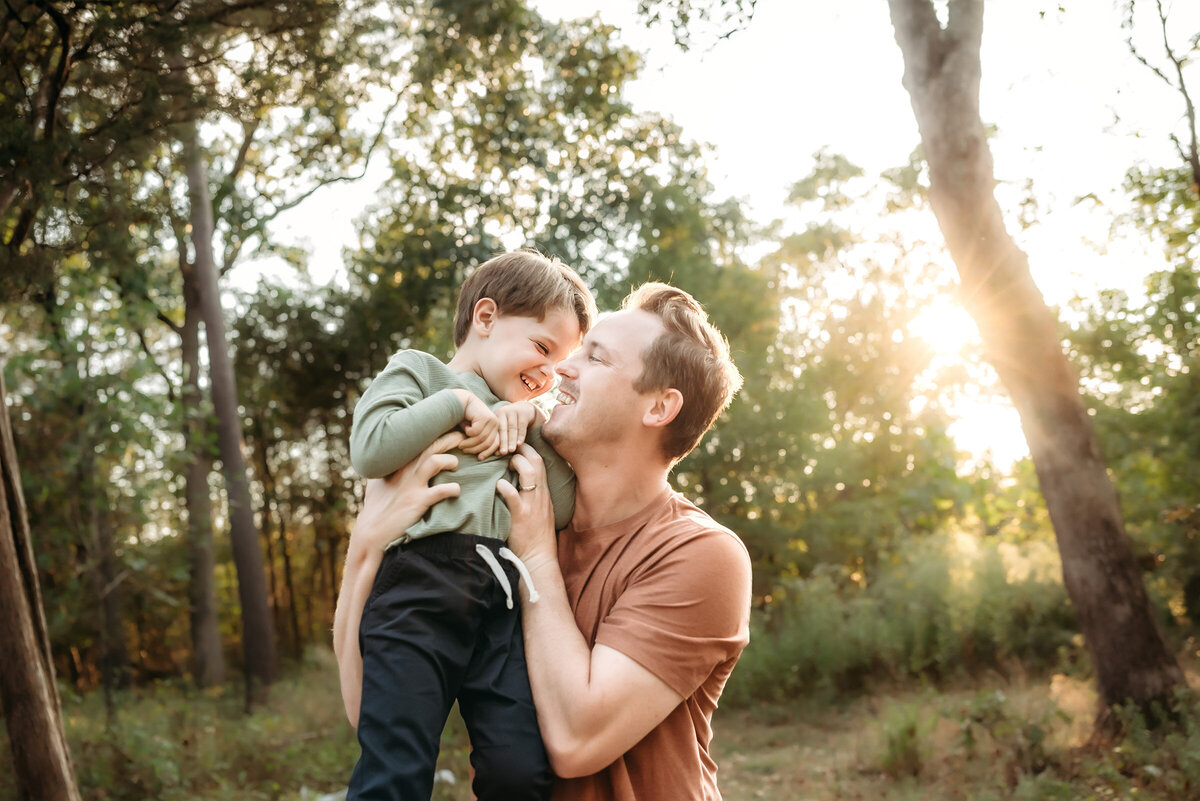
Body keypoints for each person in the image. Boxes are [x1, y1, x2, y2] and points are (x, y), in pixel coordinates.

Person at [338, 281, 752, 800]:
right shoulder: (493, 517)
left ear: (659, 407)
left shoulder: (701, 554)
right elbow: (364, 709)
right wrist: (367, 547)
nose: (561, 369)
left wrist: (534, 553)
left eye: (595, 357)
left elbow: (577, 741)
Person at [335, 249, 597, 801]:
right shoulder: (420, 372)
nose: (547, 373)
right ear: (485, 318)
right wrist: (457, 402)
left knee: (520, 771)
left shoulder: (523, 420)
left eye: (559, 363)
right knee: (397, 771)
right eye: (542, 347)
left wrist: (531, 424)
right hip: (419, 586)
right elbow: (371, 449)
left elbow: (564, 509)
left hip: (501, 598)